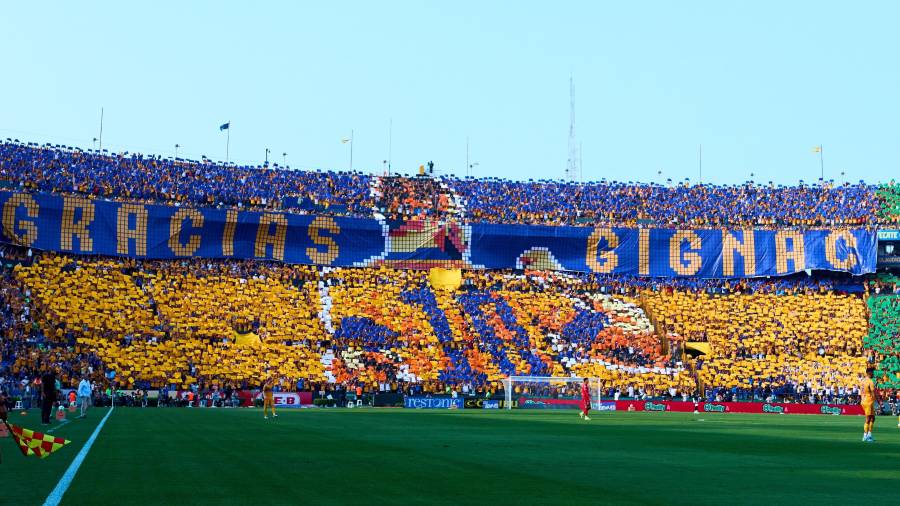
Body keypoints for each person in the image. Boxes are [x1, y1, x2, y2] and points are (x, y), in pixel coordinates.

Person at [861, 368, 879, 442]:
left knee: (872, 418)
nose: (873, 374)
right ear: (869, 373)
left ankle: (869, 435)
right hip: (869, 401)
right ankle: (865, 436)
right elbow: (873, 392)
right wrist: (878, 401)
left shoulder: (863, 381)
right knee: (868, 418)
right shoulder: (870, 381)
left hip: (864, 401)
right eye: (872, 372)